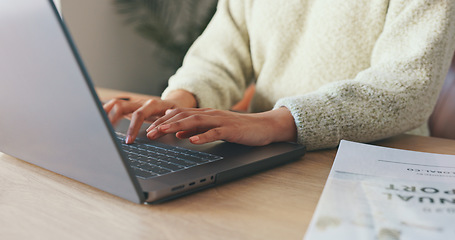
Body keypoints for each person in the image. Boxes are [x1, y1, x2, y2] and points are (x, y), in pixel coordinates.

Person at [104, 0, 455, 151]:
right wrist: (178, 104)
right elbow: (221, 51)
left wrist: (275, 122)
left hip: (380, 160)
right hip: (270, 154)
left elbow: (405, 91)